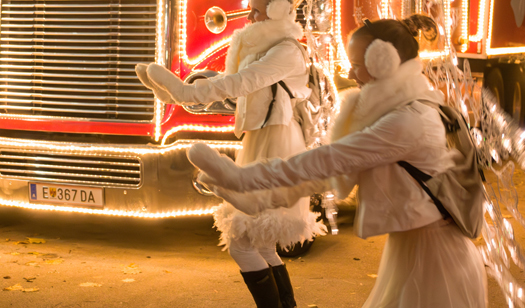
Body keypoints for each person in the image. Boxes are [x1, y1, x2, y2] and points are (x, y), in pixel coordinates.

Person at [185, 18, 487, 308]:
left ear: (384, 62)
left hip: (436, 261)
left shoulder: (408, 120)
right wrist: (259, 196)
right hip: (419, 250)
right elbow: (326, 175)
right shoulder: (406, 108)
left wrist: (242, 178)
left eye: (357, 65)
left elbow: (329, 161)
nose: (352, 74)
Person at [134, 0, 326, 308]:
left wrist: (186, 93)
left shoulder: (286, 51)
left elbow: (243, 82)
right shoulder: (268, 47)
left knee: (242, 244)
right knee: (263, 245)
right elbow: (241, 89)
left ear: (278, 11)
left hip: (278, 143)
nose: (248, 18)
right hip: (265, 139)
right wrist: (188, 91)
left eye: (255, 11)